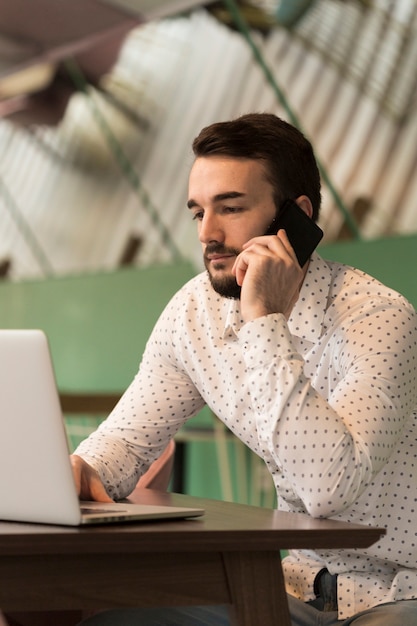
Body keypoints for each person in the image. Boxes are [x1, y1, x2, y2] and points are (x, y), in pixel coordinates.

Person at [72, 113, 417, 626]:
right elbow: (127, 438)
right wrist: (86, 467)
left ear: (294, 218)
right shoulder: (196, 313)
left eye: (230, 208)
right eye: (198, 213)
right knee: (111, 618)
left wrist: (264, 320)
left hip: (396, 593)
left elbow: (328, 489)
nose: (208, 233)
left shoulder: (380, 318)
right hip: (293, 586)